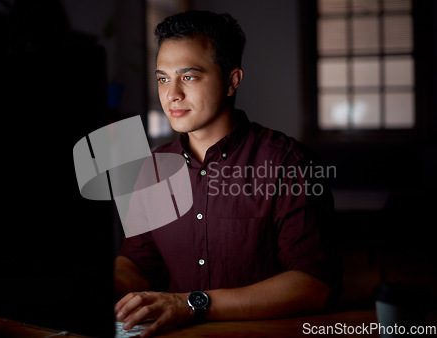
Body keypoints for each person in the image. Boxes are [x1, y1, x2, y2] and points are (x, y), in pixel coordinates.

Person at [113, 10, 342, 337]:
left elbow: (317, 285)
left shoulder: (287, 163)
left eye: (189, 76)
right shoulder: (155, 168)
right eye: (163, 77)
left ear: (232, 81)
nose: (171, 94)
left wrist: (194, 304)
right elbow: (139, 263)